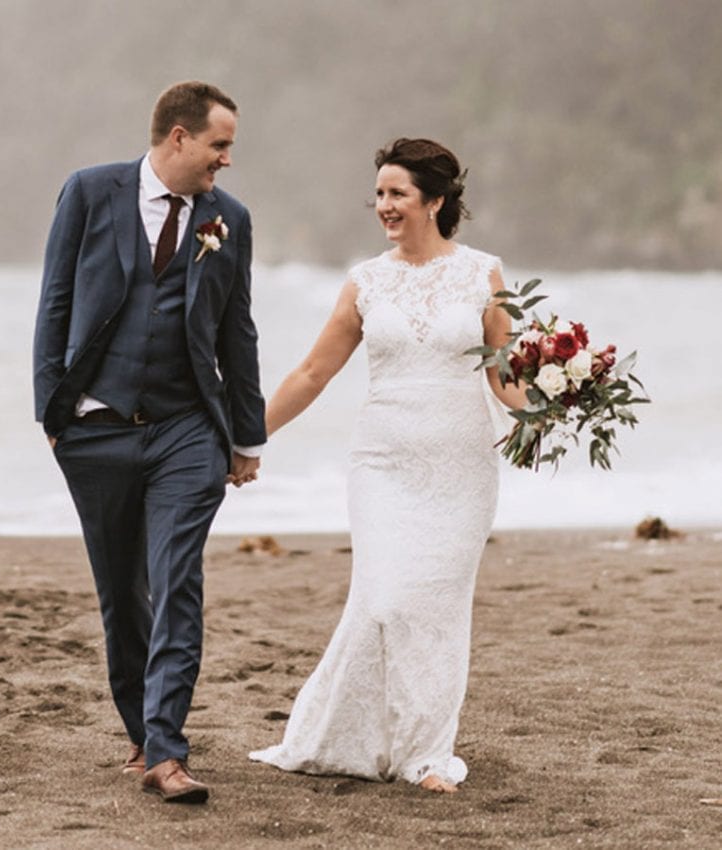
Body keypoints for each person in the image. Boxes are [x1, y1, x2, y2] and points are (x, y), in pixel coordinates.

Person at [249, 138, 527, 793]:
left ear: (435, 200)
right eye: (378, 194)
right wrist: (245, 438)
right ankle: (347, 736)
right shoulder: (366, 281)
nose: (384, 206)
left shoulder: (484, 274)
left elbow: (505, 375)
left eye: (397, 193)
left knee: (436, 608)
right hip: (382, 465)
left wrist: (555, 403)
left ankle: (425, 755)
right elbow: (313, 372)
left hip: (461, 469)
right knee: (384, 601)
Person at [33, 81, 265, 804]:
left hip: (187, 429)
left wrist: (246, 435)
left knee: (177, 580)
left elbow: (237, 331)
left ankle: (167, 749)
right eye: (219, 145)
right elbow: (55, 301)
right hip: (94, 430)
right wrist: (52, 414)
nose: (226, 160)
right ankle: (141, 733)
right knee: (122, 595)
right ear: (179, 137)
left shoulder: (230, 219)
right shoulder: (89, 192)